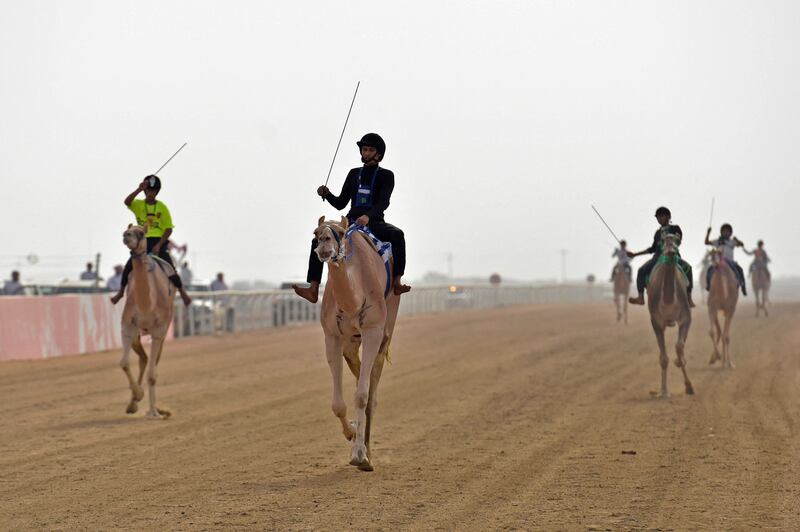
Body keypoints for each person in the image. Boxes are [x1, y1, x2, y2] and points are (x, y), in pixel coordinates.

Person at [293, 133, 411, 303]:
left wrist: (368, 216)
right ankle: (313, 288)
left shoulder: (387, 175)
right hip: (351, 222)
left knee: (398, 234)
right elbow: (341, 203)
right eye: (364, 149)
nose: (366, 153)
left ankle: (397, 282)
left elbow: (384, 202)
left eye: (370, 150)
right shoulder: (354, 174)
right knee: (318, 240)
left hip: (374, 222)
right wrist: (328, 194)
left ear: (379, 154)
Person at [110, 175, 192, 306]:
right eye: (148, 191)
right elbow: (127, 202)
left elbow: (168, 229)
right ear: (145, 191)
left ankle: (183, 293)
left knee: (170, 266)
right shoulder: (138, 204)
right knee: (129, 265)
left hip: (158, 242)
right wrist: (138, 189)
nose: (150, 194)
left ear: (157, 192)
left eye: (153, 191)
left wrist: (159, 245)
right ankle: (120, 292)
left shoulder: (162, 207)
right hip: (142, 240)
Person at [627, 206, 695, 307]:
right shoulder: (657, 233)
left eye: (661, 216)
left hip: (673, 256)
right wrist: (635, 254)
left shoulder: (675, 228)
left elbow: (678, 240)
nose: (659, 219)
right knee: (641, 270)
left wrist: (670, 239)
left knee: (688, 268)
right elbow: (652, 249)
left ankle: (689, 297)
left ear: (668, 216)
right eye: (658, 217)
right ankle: (640, 297)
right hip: (658, 257)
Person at [705, 223, 747, 295]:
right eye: (724, 231)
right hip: (719, 262)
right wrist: (708, 233)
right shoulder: (718, 241)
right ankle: (709, 285)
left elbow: (742, 244)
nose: (726, 233)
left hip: (730, 262)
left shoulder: (732, 242)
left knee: (739, 270)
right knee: (709, 270)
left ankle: (742, 286)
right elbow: (706, 242)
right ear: (721, 232)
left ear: (730, 233)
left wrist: (737, 240)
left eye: (728, 231)